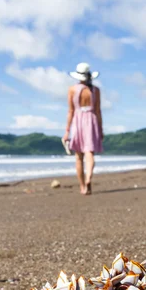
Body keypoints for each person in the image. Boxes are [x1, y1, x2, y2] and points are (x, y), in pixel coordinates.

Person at [63, 63, 103, 195]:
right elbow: (98, 111)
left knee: (78, 156)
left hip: (78, 121)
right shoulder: (95, 90)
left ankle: (82, 186)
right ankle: (88, 178)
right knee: (89, 153)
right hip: (91, 121)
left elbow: (71, 111)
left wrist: (67, 131)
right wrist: (101, 129)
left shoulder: (72, 89)